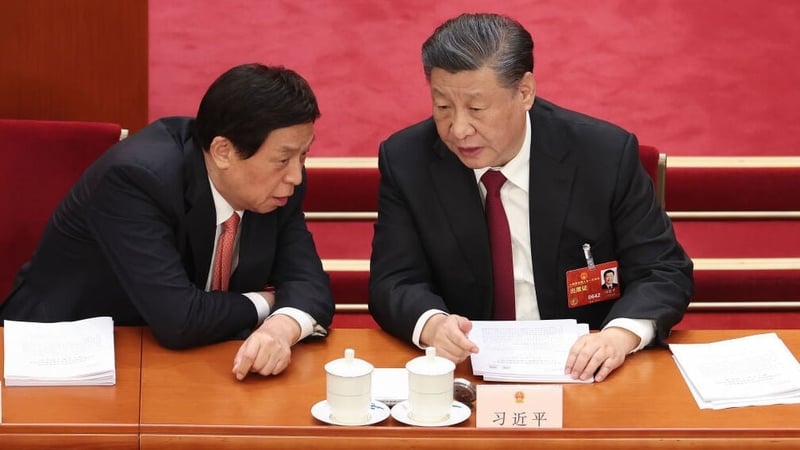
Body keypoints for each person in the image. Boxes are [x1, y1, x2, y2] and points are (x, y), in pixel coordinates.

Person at [368, 13, 693, 382]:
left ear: (524, 92)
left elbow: (663, 269)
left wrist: (618, 336)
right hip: (466, 375)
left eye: (476, 109)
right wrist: (433, 324)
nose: (458, 129)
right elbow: (393, 280)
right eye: (443, 107)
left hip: (588, 372)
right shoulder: (408, 159)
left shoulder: (602, 154)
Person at [0, 63, 334, 380]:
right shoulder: (136, 179)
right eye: (283, 158)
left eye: (303, 155)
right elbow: (179, 319)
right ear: (223, 151)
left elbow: (310, 285)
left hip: (191, 359)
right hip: (65, 355)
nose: (296, 174)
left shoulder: (278, 187)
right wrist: (270, 301)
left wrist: (282, 326)